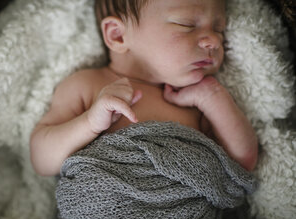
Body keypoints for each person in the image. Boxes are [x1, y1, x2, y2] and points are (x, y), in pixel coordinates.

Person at [29, 0, 258, 177]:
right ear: (117, 35)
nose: (214, 42)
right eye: (187, 24)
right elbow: (41, 160)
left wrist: (213, 96)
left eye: (219, 29)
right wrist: (89, 122)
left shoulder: (195, 102)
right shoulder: (88, 86)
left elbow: (243, 162)